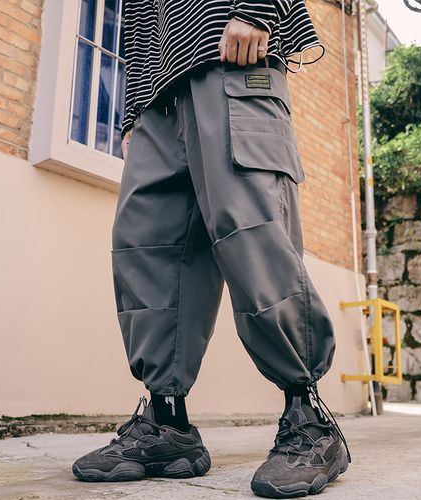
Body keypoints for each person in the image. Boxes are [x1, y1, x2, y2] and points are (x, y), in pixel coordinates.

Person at [73, 1, 350, 497]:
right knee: (146, 245)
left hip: (230, 53)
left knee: (251, 233)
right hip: (157, 97)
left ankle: (310, 420)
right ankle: (168, 425)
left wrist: (260, 9)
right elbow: (136, 19)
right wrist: (132, 110)